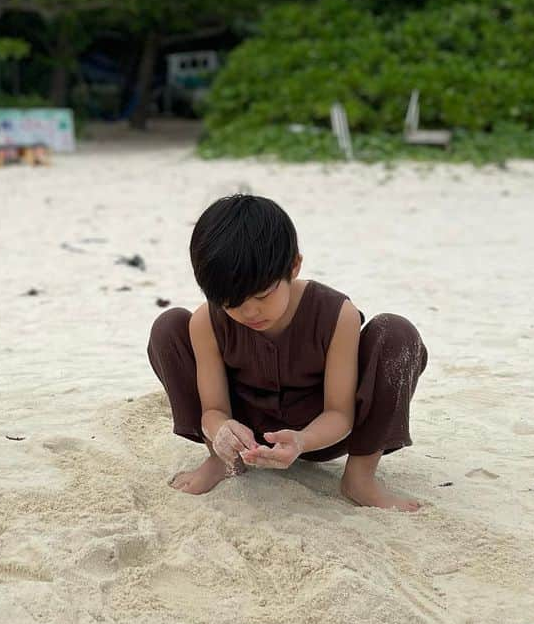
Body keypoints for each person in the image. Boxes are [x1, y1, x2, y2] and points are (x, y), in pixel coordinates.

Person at [147, 194, 426, 511]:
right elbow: (213, 409)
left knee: (397, 333)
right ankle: (221, 460)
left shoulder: (337, 314)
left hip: (321, 433)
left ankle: (360, 478)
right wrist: (221, 431)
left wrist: (302, 441)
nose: (250, 312)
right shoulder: (207, 322)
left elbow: (339, 413)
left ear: (293, 266)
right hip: (247, 434)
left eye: (263, 295)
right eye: (232, 304)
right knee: (168, 327)